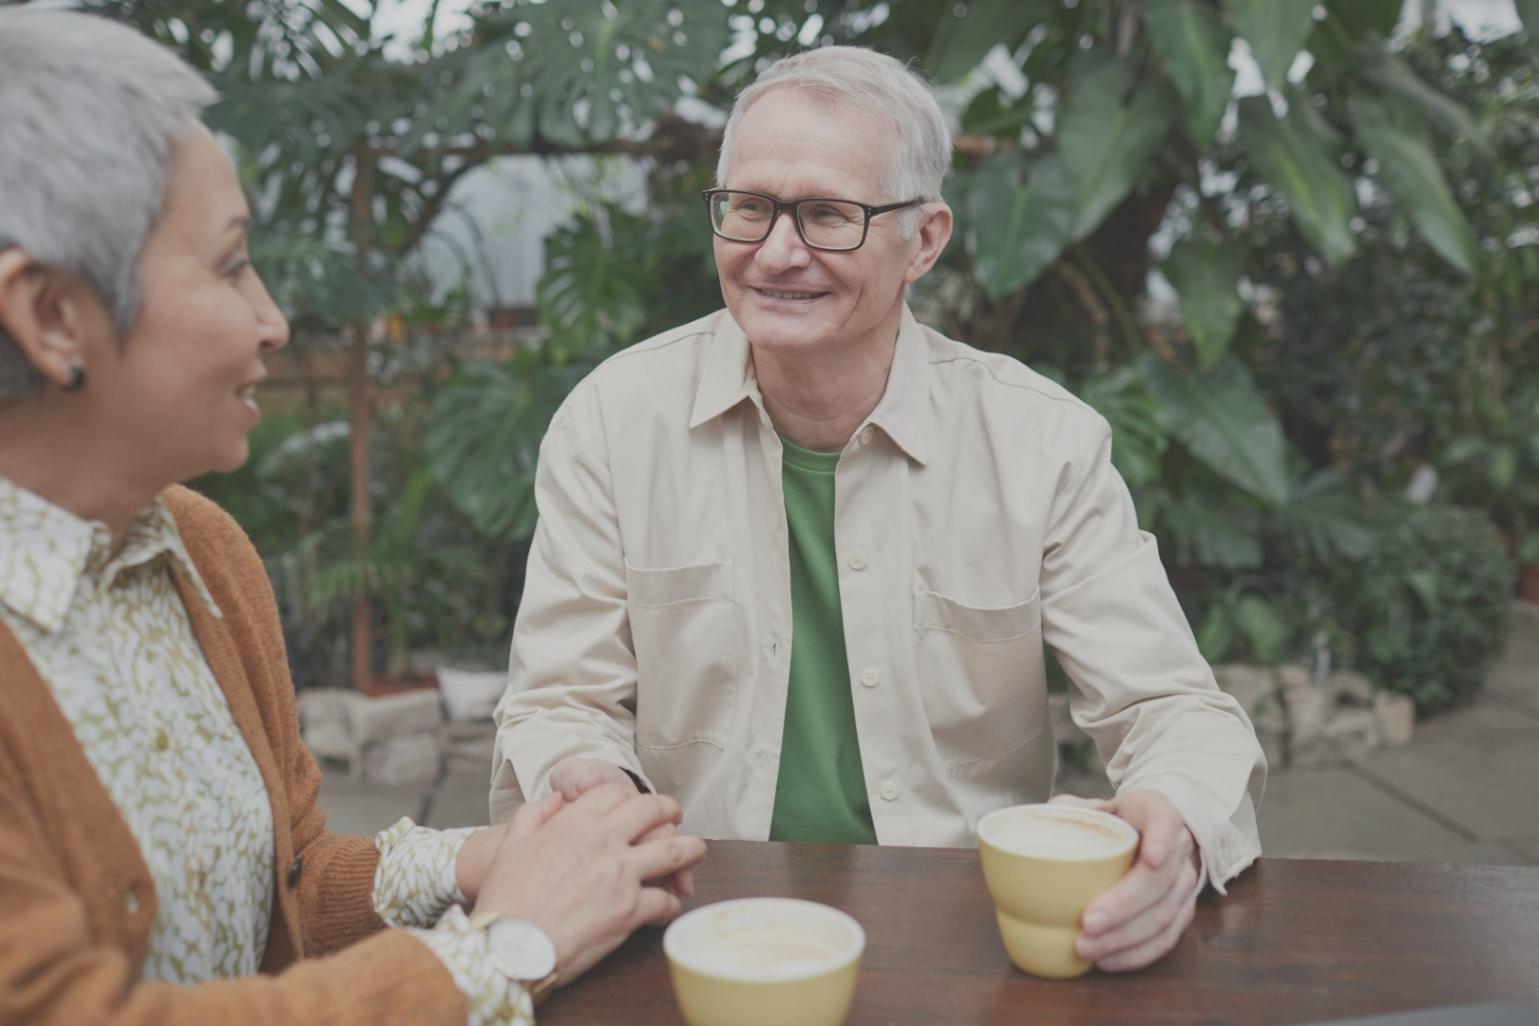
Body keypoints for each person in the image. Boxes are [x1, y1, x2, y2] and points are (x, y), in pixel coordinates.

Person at [492, 45, 1266, 972]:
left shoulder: (1039, 443)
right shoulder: (615, 423)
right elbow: (558, 701)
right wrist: (590, 784)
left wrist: (1172, 825)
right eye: (749, 207)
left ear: (924, 241)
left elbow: (1172, 709)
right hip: (690, 921)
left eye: (828, 215)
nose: (777, 252)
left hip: (964, 940)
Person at [0, 12, 704, 1026]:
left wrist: (485, 861)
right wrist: (507, 947)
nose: (273, 320)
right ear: (51, 315)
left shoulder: (198, 554)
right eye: (231, 265)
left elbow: (289, 881)